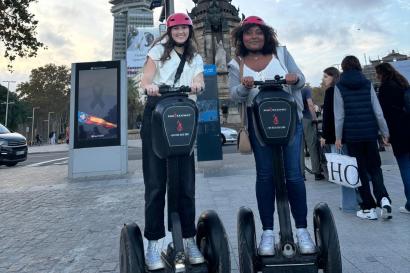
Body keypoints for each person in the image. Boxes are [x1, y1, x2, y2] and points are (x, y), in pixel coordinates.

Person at [228, 15, 316, 256]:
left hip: (290, 123)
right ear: (241, 37)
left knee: (295, 175)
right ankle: (267, 232)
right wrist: (244, 86)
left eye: (259, 32)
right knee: (265, 176)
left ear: (266, 35)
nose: (254, 37)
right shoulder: (236, 63)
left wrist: (294, 78)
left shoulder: (282, 53)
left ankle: (301, 230)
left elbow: (301, 80)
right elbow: (234, 96)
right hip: (258, 126)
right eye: (249, 33)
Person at [139, 13, 205, 270]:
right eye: (175, 28)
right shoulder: (158, 51)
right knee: (156, 183)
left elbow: (198, 78)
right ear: (169, 30)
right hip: (157, 112)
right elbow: (146, 78)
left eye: (184, 28)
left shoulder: (195, 57)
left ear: (189, 31)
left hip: (183, 112)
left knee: (185, 183)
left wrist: (197, 84)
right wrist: (149, 87)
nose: (180, 32)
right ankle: (154, 243)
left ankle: (188, 238)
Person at [334, 55, 391, 220]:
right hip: (370, 134)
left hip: (352, 136)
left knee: (360, 171)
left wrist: (338, 137)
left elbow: (339, 115)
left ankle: (369, 208)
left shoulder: (339, 86)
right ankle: (384, 199)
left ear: (343, 68)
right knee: (375, 168)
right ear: (358, 66)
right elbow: (378, 112)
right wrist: (385, 133)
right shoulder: (367, 83)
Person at [320, 66, 358, 213]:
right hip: (350, 134)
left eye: (325, 77)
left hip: (337, 136)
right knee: (352, 168)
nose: (323, 80)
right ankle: (359, 199)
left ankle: (348, 204)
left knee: (343, 169)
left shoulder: (331, 91)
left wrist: (325, 136)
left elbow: (329, 117)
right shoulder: (343, 89)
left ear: (333, 77)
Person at [375, 62, 410, 214]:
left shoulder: (385, 88)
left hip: (399, 132)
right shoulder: (403, 84)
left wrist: (385, 134)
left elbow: (383, 114)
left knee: (405, 167)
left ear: (382, 74)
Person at [301, 86, 325, 180]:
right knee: (312, 145)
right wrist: (314, 118)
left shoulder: (291, 89)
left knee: (299, 148)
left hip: (296, 120)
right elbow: (310, 104)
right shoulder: (306, 89)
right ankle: (317, 173)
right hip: (307, 119)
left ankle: (301, 174)